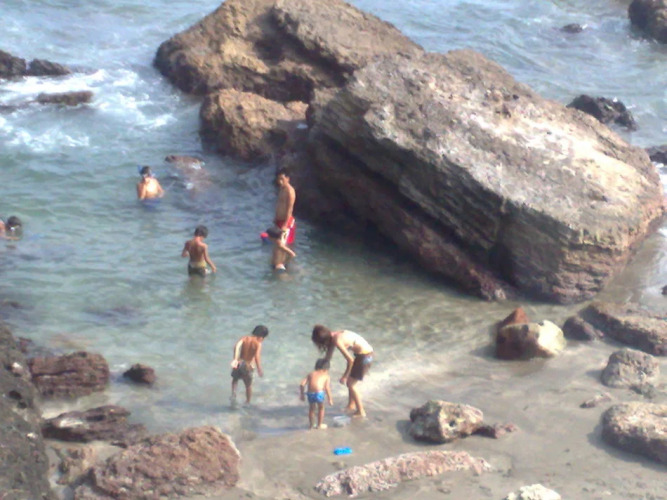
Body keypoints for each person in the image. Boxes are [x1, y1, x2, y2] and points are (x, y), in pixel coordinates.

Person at [311, 325, 374, 418]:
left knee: (351, 384)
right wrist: (319, 373)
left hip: (365, 357)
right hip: (363, 355)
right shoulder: (333, 335)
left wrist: (344, 376)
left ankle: (361, 411)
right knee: (350, 382)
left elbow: (350, 360)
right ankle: (351, 405)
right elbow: (328, 357)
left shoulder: (337, 340)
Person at [230, 325, 269, 404]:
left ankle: (233, 394)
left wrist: (235, 358)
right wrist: (259, 369)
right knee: (248, 385)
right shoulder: (258, 344)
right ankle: (247, 402)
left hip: (239, 363)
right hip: (247, 365)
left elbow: (236, 346)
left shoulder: (244, 338)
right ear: (261, 336)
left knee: (235, 380)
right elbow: (257, 357)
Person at [270, 167, 296, 271]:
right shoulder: (282, 189)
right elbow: (279, 205)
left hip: (286, 222)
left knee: (281, 244)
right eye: (278, 179)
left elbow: (290, 209)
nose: (280, 181)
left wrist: (285, 225)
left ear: (288, 178)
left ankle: (286, 261)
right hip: (279, 221)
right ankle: (278, 263)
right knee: (277, 246)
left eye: (282, 179)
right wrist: (276, 218)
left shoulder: (290, 191)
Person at [300, 358, 333, 429]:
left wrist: (302, 394)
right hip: (319, 393)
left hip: (310, 393)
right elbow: (327, 388)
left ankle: (311, 425)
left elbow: (302, 384)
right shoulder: (326, 376)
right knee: (321, 408)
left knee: (312, 409)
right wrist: (330, 399)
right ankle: (319, 425)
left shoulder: (311, 374)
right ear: (326, 369)